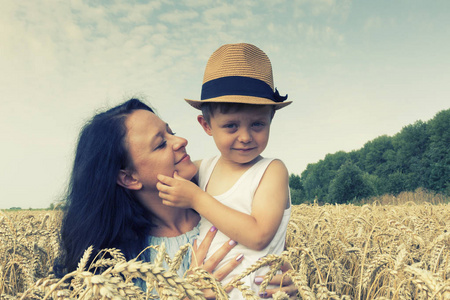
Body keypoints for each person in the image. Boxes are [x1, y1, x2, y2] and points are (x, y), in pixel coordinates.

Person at [59, 98, 296, 299]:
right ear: (129, 178)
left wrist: (291, 288)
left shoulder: (225, 205)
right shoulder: (122, 262)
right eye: (161, 143)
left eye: (170, 131)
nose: (181, 141)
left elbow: (267, 252)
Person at [156, 43, 292, 299]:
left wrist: (196, 197)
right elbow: (159, 179)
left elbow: (258, 235)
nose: (245, 136)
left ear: (271, 119)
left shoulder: (272, 170)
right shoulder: (201, 168)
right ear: (206, 125)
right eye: (231, 126)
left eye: (258, 124)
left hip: (259, 292)